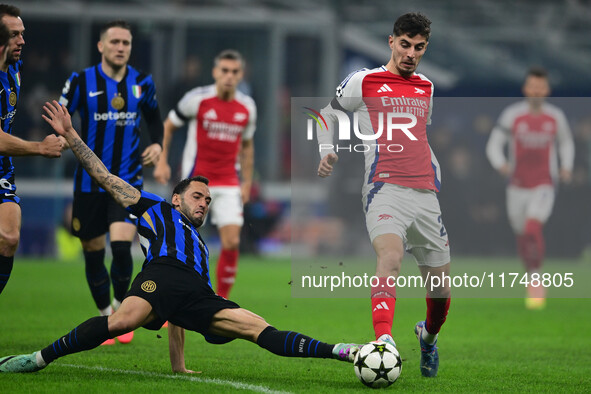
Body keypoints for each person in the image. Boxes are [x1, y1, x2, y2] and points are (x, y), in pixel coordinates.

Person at [0, 100, 358, 374]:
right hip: (161, 275)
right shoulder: (155, 208)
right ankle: (37, 359)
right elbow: (104, 176)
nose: (204, 204)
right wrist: (72, 135)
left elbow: (175, 315)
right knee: (121, 322)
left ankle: (343, 351)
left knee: (259, 329)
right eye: (197, 196)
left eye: (208, 200)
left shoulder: (200, 246)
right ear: (176, 198)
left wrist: (178, 365)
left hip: (198, 294)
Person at [316, 12, 450, 377]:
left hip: (425, 195)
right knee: (390, 259)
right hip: (384, 189)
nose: (410, 53)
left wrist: (435, 172)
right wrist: (325, 150)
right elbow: (327, 113)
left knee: (440, 292)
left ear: (425, 48)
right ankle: (384, 340)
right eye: (404, 45)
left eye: (418, 47)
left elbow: (419, 135)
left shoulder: (426, 87)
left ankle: (428, 337)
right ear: (391, 42)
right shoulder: (365, 81)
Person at [58, 20, 163, 343]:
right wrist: (59, 137)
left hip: (127, 182)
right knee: (93, 252)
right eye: (115, 41)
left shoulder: (142, 83)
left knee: (121, 248)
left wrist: (157, 145)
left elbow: (155, 122)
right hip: (89, 184)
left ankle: (120, 311)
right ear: (101, 46)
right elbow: (60, 116)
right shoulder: (80, 81)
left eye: (126, 43)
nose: (121, 47)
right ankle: (106, 316)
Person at [153, 49, 256, 299]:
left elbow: (247, 145)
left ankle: (219, 301)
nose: (229, 76)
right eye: (224, 71)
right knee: (181, 245)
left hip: (229, 182)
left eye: (234, 72)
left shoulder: (247, 107)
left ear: (241, 74)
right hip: (195, 181)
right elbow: (168, 125)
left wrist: (247, 183)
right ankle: (172, 297)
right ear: (215, 72)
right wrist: (162, 162)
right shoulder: (197, 99)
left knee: (231, 242)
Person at [486, 67, 574, 310]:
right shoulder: (512, 115)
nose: (536, 91)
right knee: (522, 234)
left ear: (547, 90)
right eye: (532, 86)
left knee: (532, 226)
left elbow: (566, 143)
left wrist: (566, 166)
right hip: (516, 186)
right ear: (526, 88)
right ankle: (531, 275)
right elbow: (494, 144)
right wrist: (500, 163)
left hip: (544, 184)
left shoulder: (555, 117)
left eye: (540, 87)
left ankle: (537, 280)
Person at [0, 4, 64, 295]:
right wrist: (39, 147)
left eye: (22, 34)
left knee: (10, 237)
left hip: (2, 168)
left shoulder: (15, 68)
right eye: (15, 35)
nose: (22, 41)